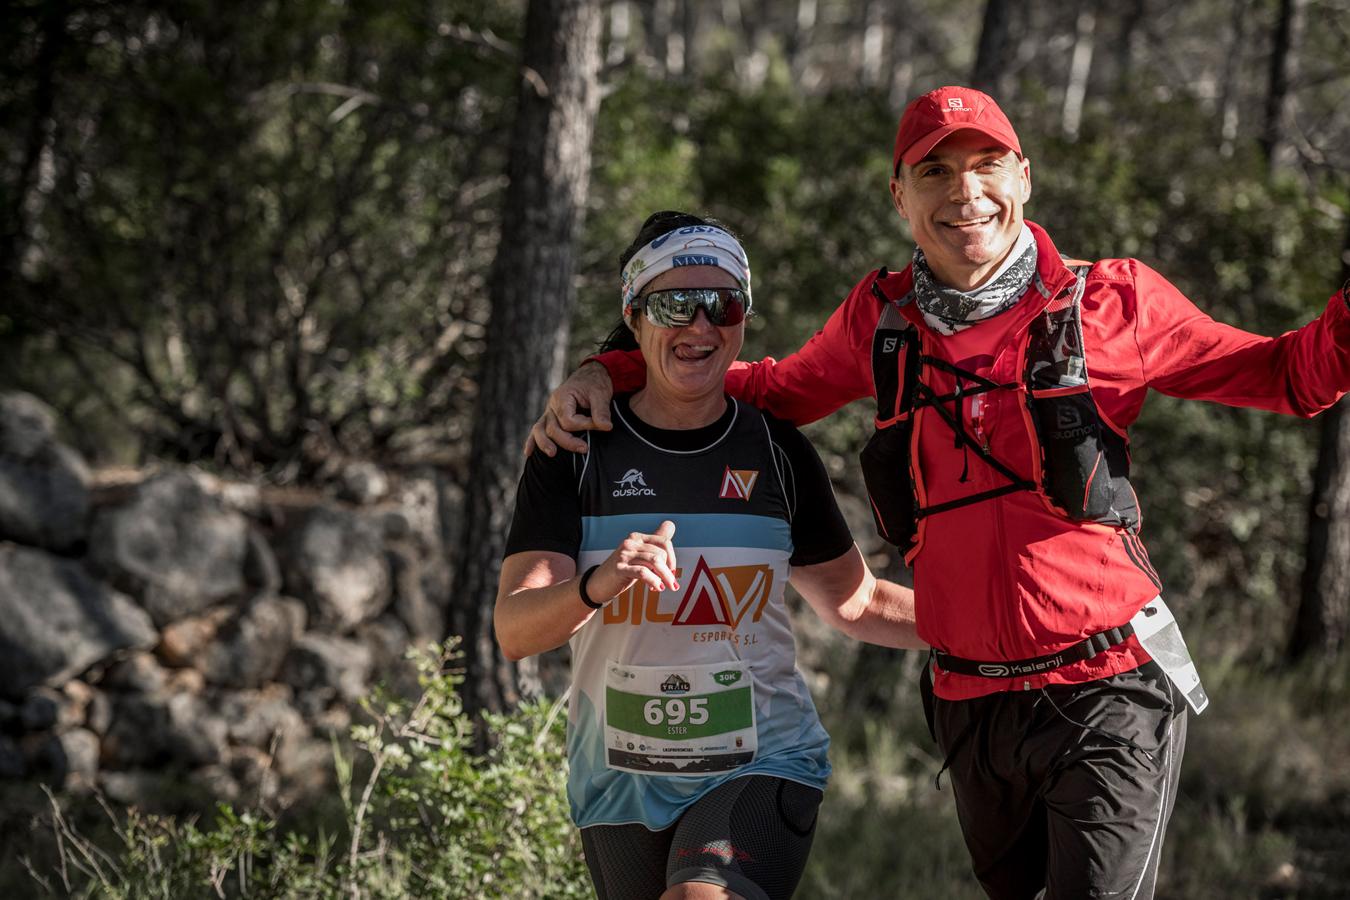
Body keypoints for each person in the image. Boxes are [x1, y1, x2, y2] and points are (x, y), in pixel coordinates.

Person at [528, 87, 1350, 899]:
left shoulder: (1112, 301)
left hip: (1108, 683)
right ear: (900, 195)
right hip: (969, 699)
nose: (966, 193)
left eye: (988, 165)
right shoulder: (880, 321)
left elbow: (1290, 377)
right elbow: (764, 390)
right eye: (936, 171)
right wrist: (617, 365)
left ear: (1024, 177)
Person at [496, 210, 923, 900]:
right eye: (674, 304)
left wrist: (1002, 627)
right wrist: (598, 585)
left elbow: (859, 601)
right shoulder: (576, 450)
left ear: (744, 318)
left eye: (722, 304)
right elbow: (515, 632)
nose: (700, 326)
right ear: (635, 317)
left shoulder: (777, 451)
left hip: (761, 760)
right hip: (620, 777)